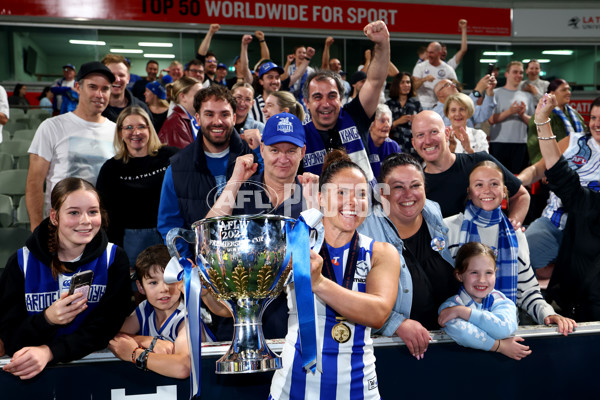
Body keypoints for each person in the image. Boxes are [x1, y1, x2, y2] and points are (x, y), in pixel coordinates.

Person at [268, 150, 400, 400]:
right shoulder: (292, 247)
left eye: (361, 194)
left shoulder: (381, 253)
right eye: (341, 193)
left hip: (359, 389)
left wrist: (317, 283)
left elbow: (378, 313)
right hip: (293, 388)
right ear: (321, 198)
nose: (353, 202)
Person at [0, 177, 132, 380]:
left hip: (97, 369)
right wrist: (47, 319)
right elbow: (11, 338)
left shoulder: (114, 259)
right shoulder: (21, 263)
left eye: (92, 212)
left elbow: (103, 331)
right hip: (32, 373)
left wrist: (49, 351)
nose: (85, 221)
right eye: (74, 212)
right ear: (54, 217)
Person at [205, 112, 316, 340]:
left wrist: (316, 208)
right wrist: (235, 181)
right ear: (262, 149)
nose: (282, 159)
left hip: (294, 321)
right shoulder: (240, 189)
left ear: (303, 152)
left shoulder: (312, 194)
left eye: (291, 151)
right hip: (238, 320)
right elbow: (208, 234)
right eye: (275, 150)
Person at [444, 160, 576, 333]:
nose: (486, 190)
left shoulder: (516, 236)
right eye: (479, 185)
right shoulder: (448, 229)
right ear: (469, 192)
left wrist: (547, 313)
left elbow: (528, 291)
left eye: (494, 184)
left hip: (506, 332)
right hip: (459, 331)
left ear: (504, 191)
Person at [359, 153, 458, 360]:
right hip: (394, 351)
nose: (408, 194)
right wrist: (395, 324)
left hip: (446, 343)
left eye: (415, 185)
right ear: (382, 193)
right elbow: (353, 295)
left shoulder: (433, 213)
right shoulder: (365, 230)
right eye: (397, 187)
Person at [157, 85, 255, 256]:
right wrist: (188, 265)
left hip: (253, 264)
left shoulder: (254, 158)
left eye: (224, 114)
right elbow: (170, 225)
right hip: (200, 267)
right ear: (197, 119)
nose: (217, 121)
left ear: (234, 117)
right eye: (209, 114)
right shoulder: (178, 167)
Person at [26, 61, 117, 232]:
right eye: (92, 87)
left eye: (105, 89)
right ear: (77, 87)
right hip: (59, 227)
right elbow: (34, 183)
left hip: (100, 228)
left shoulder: (116, 131)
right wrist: (36, 229)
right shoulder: (52, 127)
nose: (99, 94)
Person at [532, 93, 600, 321]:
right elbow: (562, 177)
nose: (597, 124)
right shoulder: (589, 201)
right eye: (593, 117)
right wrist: (542, 122)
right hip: (579, 307)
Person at [302, 20, 391, 183]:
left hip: (364, 204)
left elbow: (375, 81)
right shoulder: (299, 136)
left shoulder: (355, 114)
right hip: (318, 206)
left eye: (331, 95)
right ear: (306, 103)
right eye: (317, 97)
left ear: (341, 99)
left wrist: (382, 43)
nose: (326, 103)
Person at [519, 96, 599, 271]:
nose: (596, 124)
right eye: (593, 118)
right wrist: (517, 182)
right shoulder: (574, 141)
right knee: (519, 259)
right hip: (554, 222)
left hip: (592, 231)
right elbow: (537, 169)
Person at [411, 110, 530, 224]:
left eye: (434, 132)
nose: (428, 141)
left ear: (447, 134)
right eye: (420, 135)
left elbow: (521, 195)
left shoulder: (479, 162)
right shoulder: (415, 186)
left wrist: (513, 225)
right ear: (414, 144)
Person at [96, 106, 178, 266]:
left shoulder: (172, 157)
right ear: (120, 133)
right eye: (129, 127)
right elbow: (105, 214)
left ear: (150, 128)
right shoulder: (111, 169)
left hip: (170, 235)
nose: (136, 132)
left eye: (141, 126)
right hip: (131, 243)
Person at [438, 242, 530, 360]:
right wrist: (500, 346)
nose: (482, 280)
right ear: (459, 275)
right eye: (474, 272)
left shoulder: (501, 300)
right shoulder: (449, 307)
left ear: (495, 273)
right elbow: (464, 334)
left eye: (488, 273)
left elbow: (503, 329)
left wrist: (464, 312)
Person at [108, 245, 190, 378]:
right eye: (153, 283)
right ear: (140, 287)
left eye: (170, 280)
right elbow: (106, 334)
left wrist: (134, 354)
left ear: (181, 280)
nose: (164, 289)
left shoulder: (186, 318)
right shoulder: (145, 309)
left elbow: (183, 368)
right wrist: (146, 340)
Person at [488, 61, 536, 174]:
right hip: (499, 143)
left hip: (521, 144)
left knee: (518, 180)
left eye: (521, 73)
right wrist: (509, 111)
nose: (518, 75)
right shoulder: (495, 93)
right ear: (506, 74)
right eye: (515, 72)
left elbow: (532, 123)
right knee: (498, 178)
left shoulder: (527, 96)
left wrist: (522, 115)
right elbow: (491, 120)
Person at [525, 78, 585, 164]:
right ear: (552, 94)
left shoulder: (575, 115)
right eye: (564, 90)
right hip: (553, 166)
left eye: (569, 89)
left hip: (576, 163)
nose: (568, 92)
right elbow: (534, 147)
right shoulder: (542, 115)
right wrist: (543, 169)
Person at [100, 54, 153, 124]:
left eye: (121, 75)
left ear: (128, 78)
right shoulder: (93, 108)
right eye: (111, 75)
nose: (117, 79)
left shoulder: (141, 109)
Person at [431, 74, 496, 128]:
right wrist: (477, 91)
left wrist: (489, 92)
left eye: (453, 84)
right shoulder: (436, 113)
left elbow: (482, 116)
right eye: (448, 85)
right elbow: (453, 126)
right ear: (439, 93)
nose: (454, 86)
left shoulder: (463, 105)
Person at [157, 76, 203, 149]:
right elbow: (185, 158)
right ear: (183, 97)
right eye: (199, 94)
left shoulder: (187, 119)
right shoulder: (176, 124)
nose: (203, 98)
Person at [412, 41, 458, 109]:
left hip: (441, 105)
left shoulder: (448, 69)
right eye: (427, 52)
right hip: (422, 105)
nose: (428, 55)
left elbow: (456, 88)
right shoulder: (420, 67)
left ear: (439, 53)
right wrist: (424, 79)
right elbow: (413, 87)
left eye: (431, 53)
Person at [385, 72, 422, 154]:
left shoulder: (416, 104)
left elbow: (424, 127)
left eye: (408, 82)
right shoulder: (388, 105)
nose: (406, 85)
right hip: (394, 149)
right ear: (396, 85)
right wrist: (397, 122)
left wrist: (418, 121)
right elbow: (381, 128)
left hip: (414, 150)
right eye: (402, 82)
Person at [367, 104, 400, 178]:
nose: (387, 125)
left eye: (388, 121)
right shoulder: (362, 145)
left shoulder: (393, 146)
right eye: (382, 121)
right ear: (371, 124)